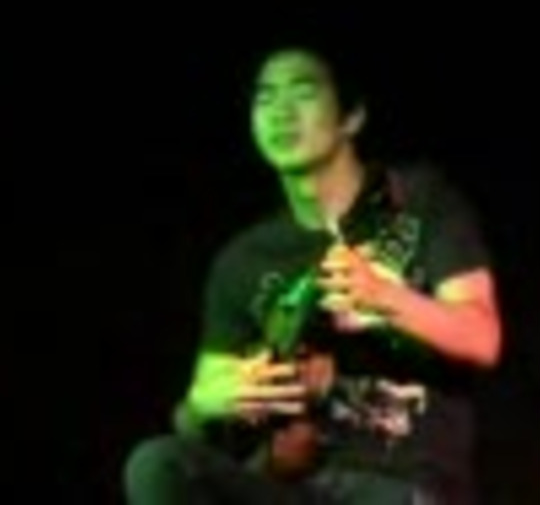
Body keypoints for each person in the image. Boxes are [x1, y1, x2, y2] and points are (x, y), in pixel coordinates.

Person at [123, 46, 503, 504]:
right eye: (265, 97)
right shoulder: (243, 259)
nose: (281, 112)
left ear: (351, 117)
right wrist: (208, 403)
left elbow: (482, 338)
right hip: (297, 486)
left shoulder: (417, 198)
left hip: (404, 486)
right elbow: (195, 414)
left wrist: (384, 295)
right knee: (158, 464)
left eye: (302, 92)